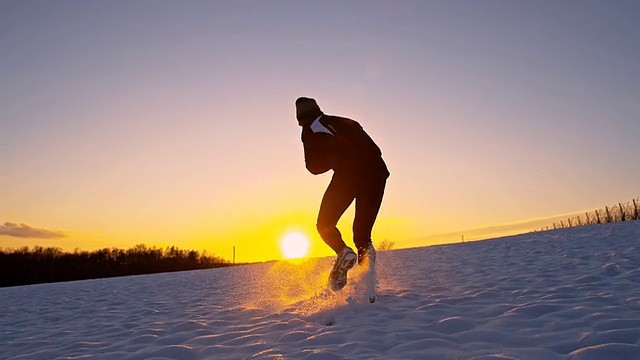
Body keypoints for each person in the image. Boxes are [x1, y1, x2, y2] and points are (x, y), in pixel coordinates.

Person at [296, 97, 389, 291]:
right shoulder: (342, 121)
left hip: (348, 176)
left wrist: (334, 158)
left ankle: (343, 252)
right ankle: (367, 283)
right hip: (377, 174)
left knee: (324, 224)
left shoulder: (310, 129)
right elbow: (374, 149)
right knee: (363, 237)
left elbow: (313, 166)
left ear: (300, 116)